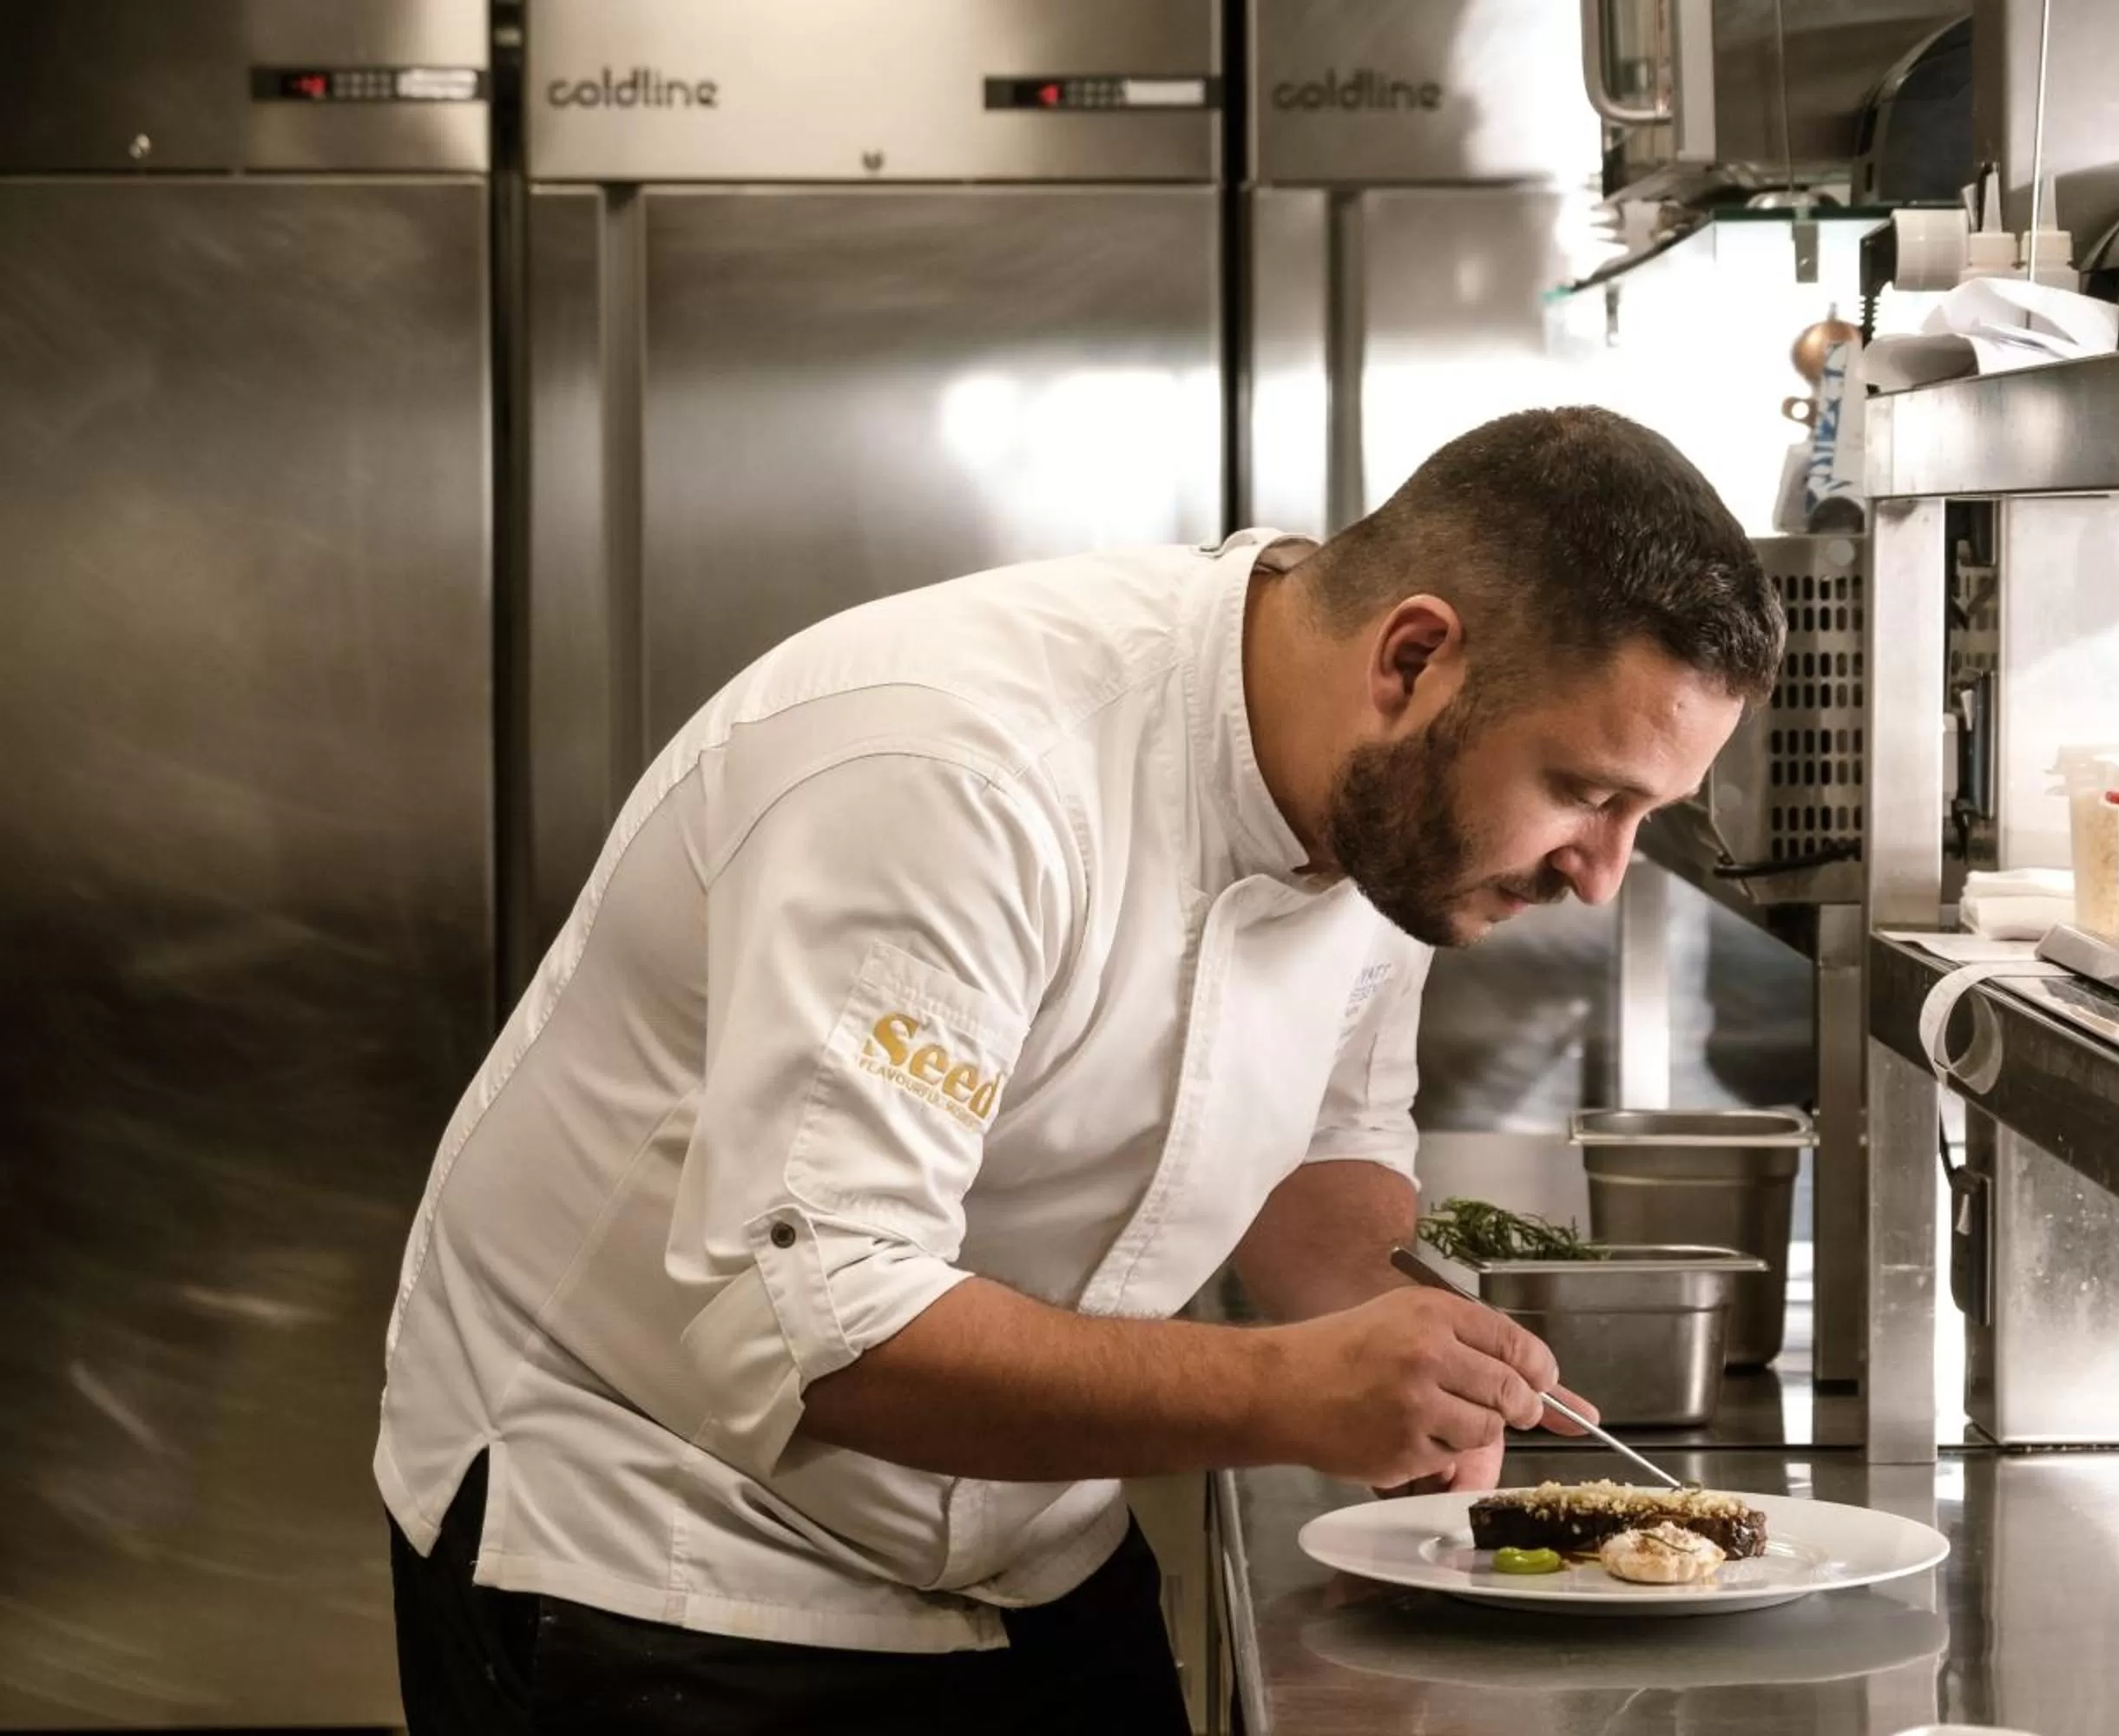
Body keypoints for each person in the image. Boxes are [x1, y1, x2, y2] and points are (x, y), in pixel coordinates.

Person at [376, 405, 1784, 1733]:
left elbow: (1325, 1157)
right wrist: (1295, 1391)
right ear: (1412, 661)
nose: (1601, 878)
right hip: (663, 1542)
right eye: (1586, 794)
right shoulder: (963, 773)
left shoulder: (1391, 812)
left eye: (1642, 814)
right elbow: (814, 1328)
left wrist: (1413, 1357)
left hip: (1031, 1539)